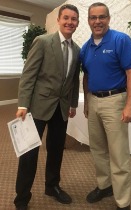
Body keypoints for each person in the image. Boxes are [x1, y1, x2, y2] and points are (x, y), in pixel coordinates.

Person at [14, 4, 80, 210]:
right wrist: (23, 104)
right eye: (66, 18)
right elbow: (28, 75)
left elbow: (74, 80)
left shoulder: (77, 50)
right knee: (29, 153)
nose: (70, 22)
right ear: (59, 20)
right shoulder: (42, 42)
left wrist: (73, 104)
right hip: (37, 107)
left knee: (56, 150)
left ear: (77, 23)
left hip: (61, 108)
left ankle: (52, 187)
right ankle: (22, 197)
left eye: (74, 19)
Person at [80, 2, 131, 210]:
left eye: (101, 17)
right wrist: (87, 102)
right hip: (94, 101)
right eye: (93, 18)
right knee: (97, 149)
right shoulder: (86, 47)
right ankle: (105, 186)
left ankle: (123, 202)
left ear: (108, 19)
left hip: (115, 101)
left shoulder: (120, 40)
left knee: (118, 153)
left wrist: (130, 105)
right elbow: (86, 76)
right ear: (88, 21)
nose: (97, 21)